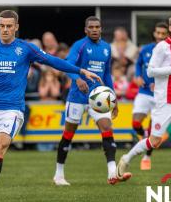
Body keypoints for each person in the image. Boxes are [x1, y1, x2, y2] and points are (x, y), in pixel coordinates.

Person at [0, 10, 101, 202]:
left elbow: (53, 61)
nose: (5, 29)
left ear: (16, 27)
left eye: (9, 26)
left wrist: (80, 70)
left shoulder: (26, 49)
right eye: (2, 26)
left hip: (12, 109)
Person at [117, 14, 171, 187]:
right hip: (165, 102)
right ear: (170, 28)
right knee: (154, 141)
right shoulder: (162, 47)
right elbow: (150, 72)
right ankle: (126, 158)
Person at [52, 16, 131, 186]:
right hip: (77, 97)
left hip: (98, 97)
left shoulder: (106, 48)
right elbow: (68, 64)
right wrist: (77, 79)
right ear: (86, 30)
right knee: (69, 133)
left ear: (101, 29)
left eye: (97, 27)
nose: (94, 29)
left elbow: (107, 74)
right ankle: (59, 174)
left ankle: (112, 173)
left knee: (107, 127)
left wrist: (114, 98)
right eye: (91, 27)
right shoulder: (79, 45)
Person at [132, 22, 168, 170]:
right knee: (136, 123)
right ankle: (145, 137)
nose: (160, 36)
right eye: (158, 33)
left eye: (163, 34)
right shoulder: (146, 49)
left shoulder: (170, 52)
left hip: (160, 95)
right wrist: (137, 75)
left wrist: (159, 84)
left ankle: (147, 158)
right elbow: (138, 64)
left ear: (167, 35)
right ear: (154, 33)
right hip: (145, 92)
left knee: (154, 129)